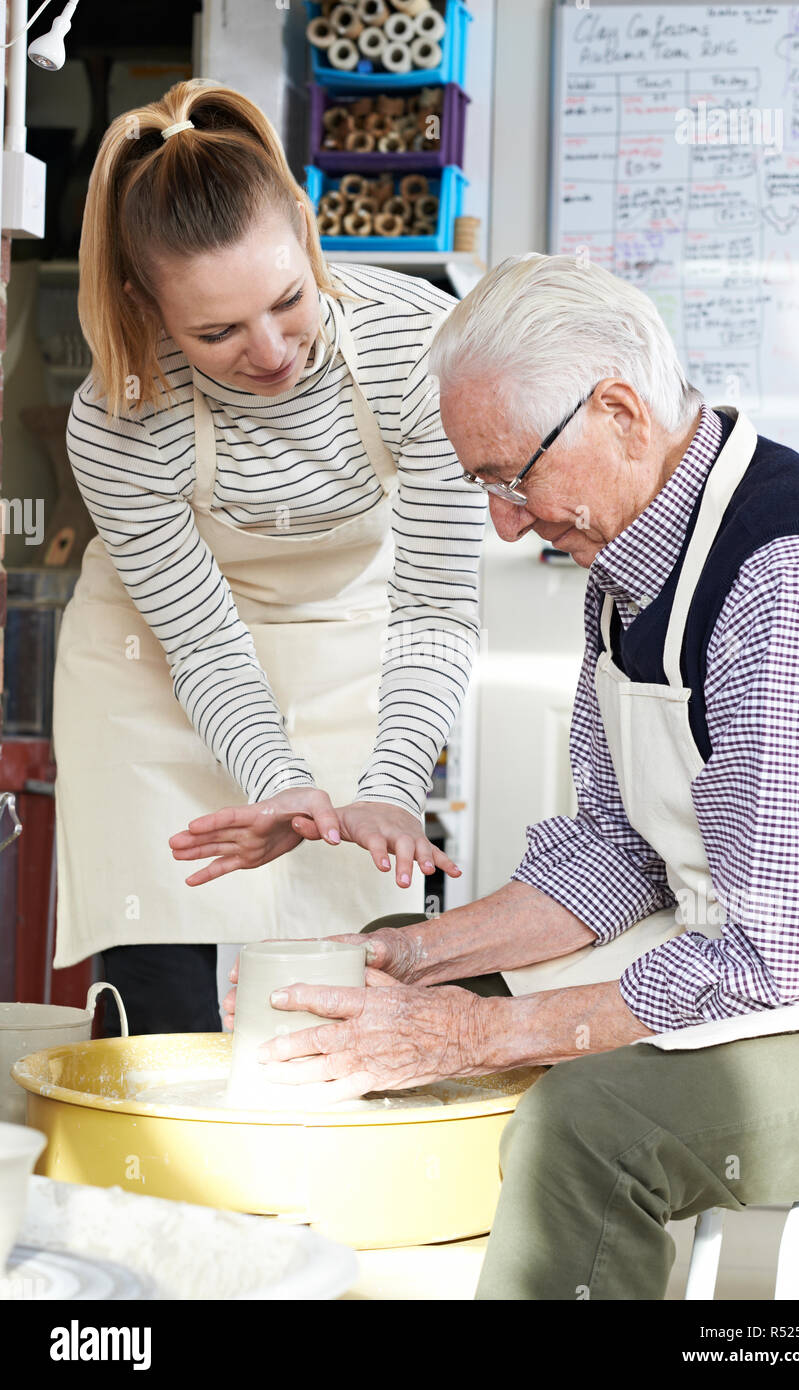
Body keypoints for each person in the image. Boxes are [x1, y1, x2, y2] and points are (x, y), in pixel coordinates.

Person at [224, 254, 799, 1300]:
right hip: (751, 947)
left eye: (511, 476)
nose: (506, 524)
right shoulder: (625, 564)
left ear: (617, 411)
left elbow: (783, 954)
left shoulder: (788, 579)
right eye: (485, 485)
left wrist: (484, 1033)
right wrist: (406, 957)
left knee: (586, 1124)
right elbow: (622, 854)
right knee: (399, 1012)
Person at [52, 79, 485, 1036]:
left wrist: (391, 780)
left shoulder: (418, 346)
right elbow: (202, 646)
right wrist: (276, 779)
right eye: (216, 332)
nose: (272, 351)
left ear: (304, 223)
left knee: (352, 925)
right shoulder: (119, 417)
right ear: (145, 304)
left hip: (351, 635)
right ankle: (153, 1171)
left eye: (287, 301)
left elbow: (434, 609)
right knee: (164, 935)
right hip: (154, 666)